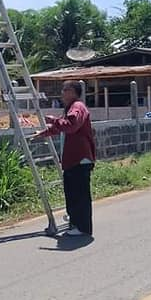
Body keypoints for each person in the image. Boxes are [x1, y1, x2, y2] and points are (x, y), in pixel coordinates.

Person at [30, 80, 96, 237]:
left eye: (66, 89)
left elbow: (70, 126)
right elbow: (62, 126)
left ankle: (82, 227)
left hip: (79, 158)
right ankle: (76, 222)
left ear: (74, 92)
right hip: (74, 159)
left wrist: (53, 120)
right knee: (73, 192)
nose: (62, 93)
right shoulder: (71, 108)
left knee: (79, 195)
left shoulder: (77, 107)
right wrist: (44, 133)